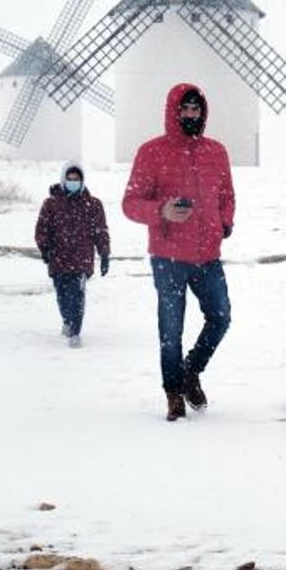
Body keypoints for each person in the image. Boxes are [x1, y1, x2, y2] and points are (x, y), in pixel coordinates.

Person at [122, 83, 234, 421]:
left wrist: (223, 224)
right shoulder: (151, 152)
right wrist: (162, 211)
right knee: (171, 329)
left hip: (207, 255)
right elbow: (130, 203)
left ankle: (190, 371)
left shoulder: (217, 151)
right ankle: (173, 392)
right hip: (168, 256)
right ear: (173, 111)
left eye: (195, 109)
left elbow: (226, 196)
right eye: (184, 109)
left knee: (221, 316)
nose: (190, 114)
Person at [35, 161, 111, 348]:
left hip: (81, 259)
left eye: (76, 179)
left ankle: (75, 331)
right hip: (58, 259)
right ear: (63, 179)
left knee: (77, 296)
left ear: (82, 180)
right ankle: (67, 321)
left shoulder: (93, 204)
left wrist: (105, 254)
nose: (73, 182)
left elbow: (100, 231)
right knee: (62, 295)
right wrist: (45, 248)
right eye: (69, 179)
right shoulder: (51, 204)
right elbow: (42, 229)